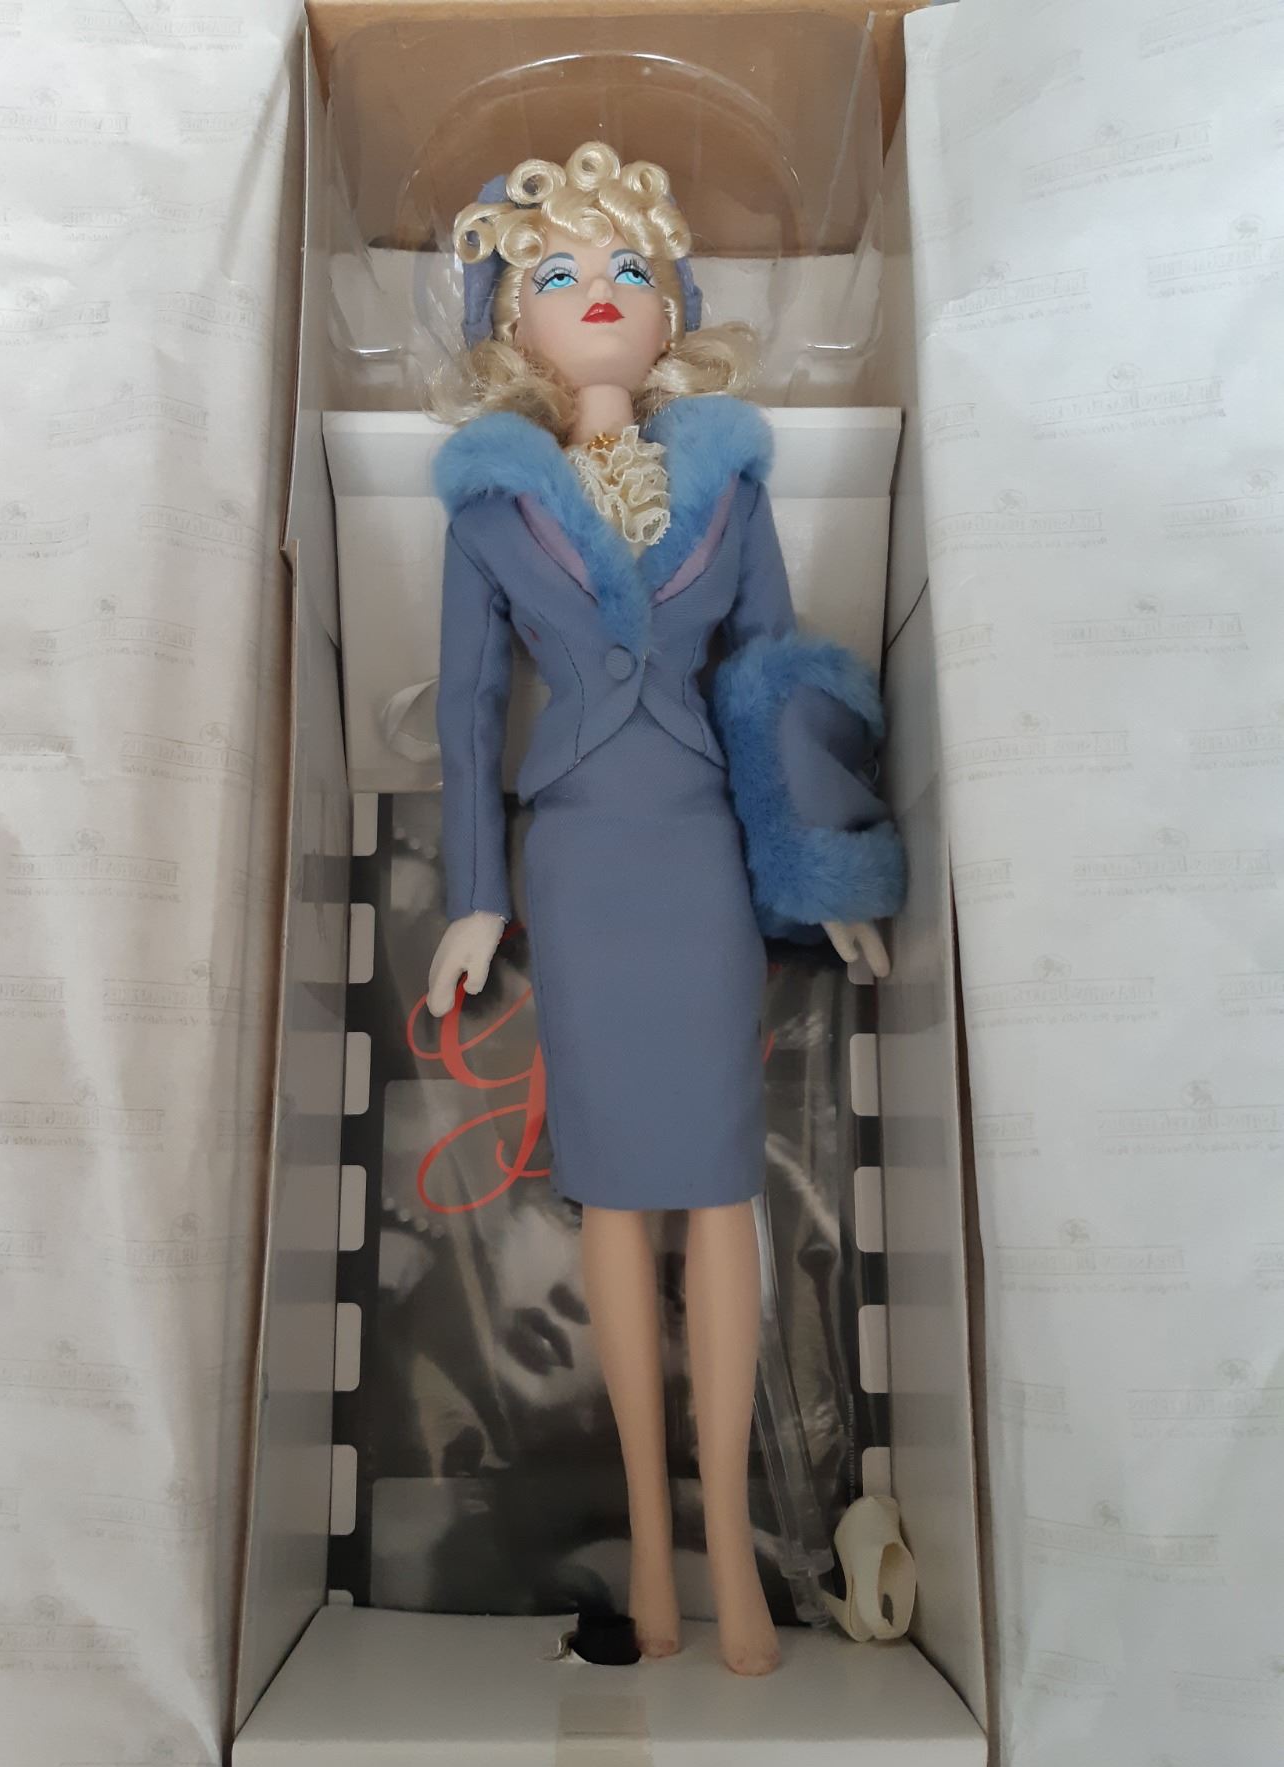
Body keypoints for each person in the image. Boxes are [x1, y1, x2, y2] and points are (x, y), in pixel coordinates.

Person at [424, 141, 903, 1675]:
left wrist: (821, 864)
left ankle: (736, 1561)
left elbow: (774, 678)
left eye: (627, 269)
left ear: (670, 307)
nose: (597, 294)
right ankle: (647, 1543)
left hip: (696, 850)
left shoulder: (725, 478)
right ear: (513, 323)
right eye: (556, 274)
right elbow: (467, 712)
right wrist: (473, 897)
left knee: (715, 1183)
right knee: (617, 1195)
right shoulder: (487, 502)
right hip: (574, 855)